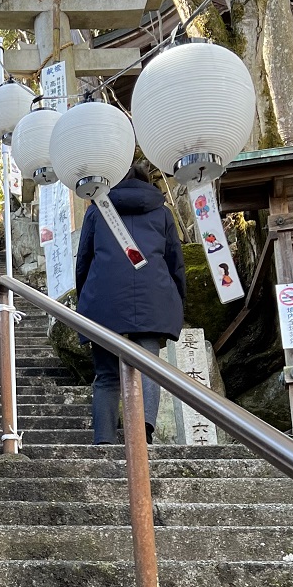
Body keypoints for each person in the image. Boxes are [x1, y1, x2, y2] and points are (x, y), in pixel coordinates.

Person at [74, 161, 186, 445]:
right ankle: (143, 434)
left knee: (107, 375)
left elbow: (83, 261)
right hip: (153, 299)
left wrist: (86, 297)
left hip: (103, 302)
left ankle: (104, 441)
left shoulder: (97, 212)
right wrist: (176, 301)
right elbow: (176, 263)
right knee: (148, 368)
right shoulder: (162, 213)